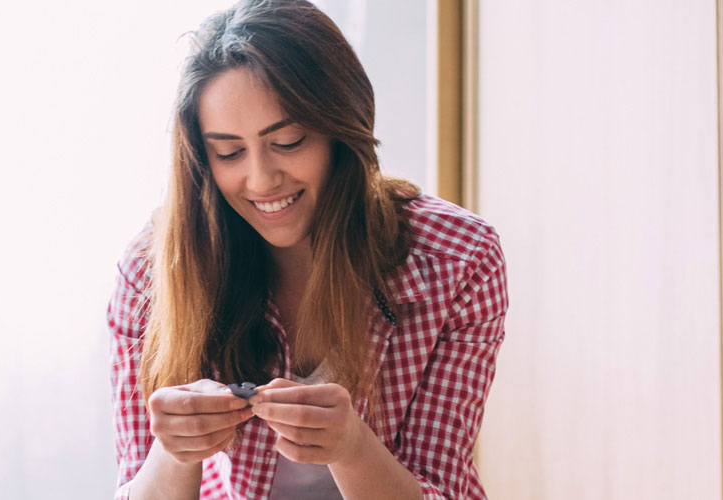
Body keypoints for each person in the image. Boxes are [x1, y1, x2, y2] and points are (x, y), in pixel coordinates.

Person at [106, 1, 508, 498]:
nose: (261, 180)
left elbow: (445, 487)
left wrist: (353, 447)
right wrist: (172, 454)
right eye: (228, 152)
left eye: (290, 141)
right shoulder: (152, 272)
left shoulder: (458, 258)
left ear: (342, 127)